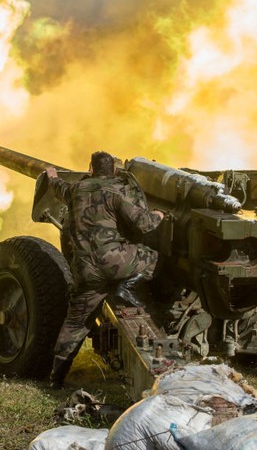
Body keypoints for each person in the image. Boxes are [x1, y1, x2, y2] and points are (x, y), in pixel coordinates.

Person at [45, 151, 164, 389]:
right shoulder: (116, 193)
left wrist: (52, 176)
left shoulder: (75, 191)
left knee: (76, 324)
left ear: (90, 170)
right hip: (115, 262)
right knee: (152, 257)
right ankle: (126, 287)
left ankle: (56, 377)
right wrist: (159, 215)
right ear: (113, 171)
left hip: (86, 271)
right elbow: (144, 224)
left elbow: (58, 187)